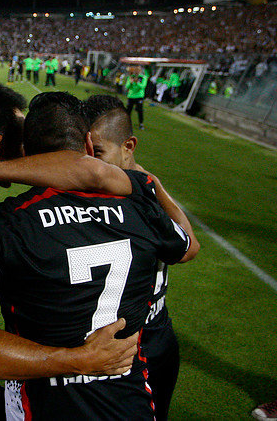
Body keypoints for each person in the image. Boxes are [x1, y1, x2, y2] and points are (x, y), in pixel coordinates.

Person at [0, 91, 197, 420]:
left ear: (27, 151)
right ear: (88, 144)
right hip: (130, 404)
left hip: (34, 404)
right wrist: (147, 182)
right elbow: (189, 246)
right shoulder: (140, 199)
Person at [84, 94, 200, 420]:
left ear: (128, 146)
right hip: (108, 345)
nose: (91, 163)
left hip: (154, 338)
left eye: (99, 153)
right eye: (86, 153)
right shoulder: (104, 191)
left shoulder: (142, 198)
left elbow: (189, 248)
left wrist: (153, 185)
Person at [125, 66, 148, 130]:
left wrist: (137, 82)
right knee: (128, 110)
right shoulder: (131, 77)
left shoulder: (143, 78)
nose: (136, 72)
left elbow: (143, 86)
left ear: (140, 71)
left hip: (139, 96)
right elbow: (127, 86)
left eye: (138, 70)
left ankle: (141, 124)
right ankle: (126, 123)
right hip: (131, 96)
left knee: (140, 110)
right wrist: (131, 82)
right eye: (136, 70)